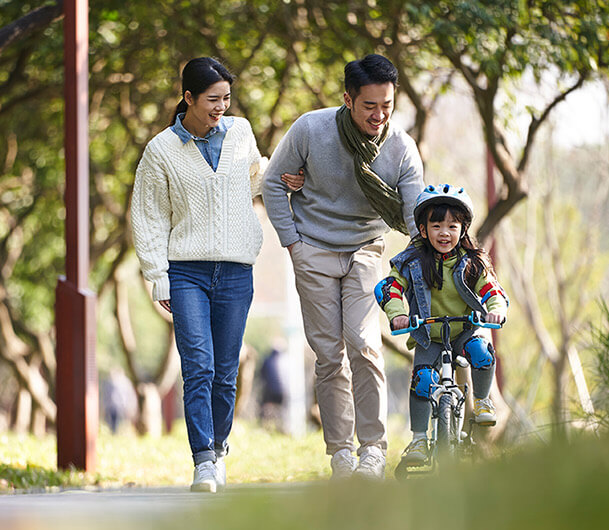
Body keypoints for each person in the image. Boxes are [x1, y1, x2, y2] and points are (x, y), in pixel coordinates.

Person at [260, 54, 426, 480]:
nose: (379, 114)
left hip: (365, 250)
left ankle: (373, 449)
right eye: (370, 105)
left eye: (387, 105)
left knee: (365, 344)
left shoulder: (401, 147)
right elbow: (273, 184)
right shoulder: (311, 129)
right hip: (311, 248)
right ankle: (341, 453)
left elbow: (414, 216)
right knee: (329, 355)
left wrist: (428, 255)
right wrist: (293, 244)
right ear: (348, 100)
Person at [129, 56, 266, 494]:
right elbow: (147, 216)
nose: (221, 106)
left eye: (226, 98)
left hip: (235, 270)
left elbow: (254, 179)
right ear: (187, 97)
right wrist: (157, 275)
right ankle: (203, 459)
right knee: (199, 367)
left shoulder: (241, 132)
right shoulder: (161, 150)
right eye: (212, 99)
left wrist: (285, 179)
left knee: (226, 371)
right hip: (185, 271)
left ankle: (220, 447)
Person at [374, 184, 512, 467]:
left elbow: (492, 291)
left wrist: (495, 311)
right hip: (429, 335)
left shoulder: (472, 262)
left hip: (464, 330)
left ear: (463, 229)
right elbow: (388, 288)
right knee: (423, 380)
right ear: (423, 230)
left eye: (452, 226)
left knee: (483, 353)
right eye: (436, 225)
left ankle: (482, 400)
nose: (444, 233)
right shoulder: (411, 261)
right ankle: (419, 439)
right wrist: (397, 313)